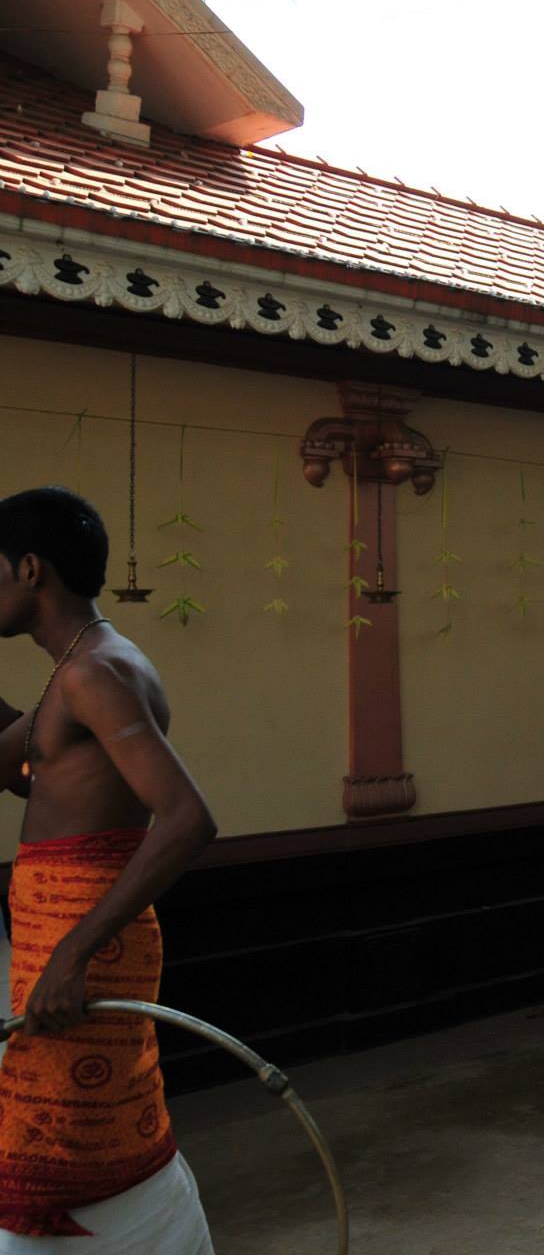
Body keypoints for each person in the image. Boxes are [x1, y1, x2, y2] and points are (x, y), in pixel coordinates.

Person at [0, 488, 218, 1248]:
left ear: (29, 569)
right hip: (60, 933)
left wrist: (73, 952)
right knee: (70, 1135)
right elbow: (17, 765)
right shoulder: (73, 668)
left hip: (84, 943)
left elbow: (188, 819)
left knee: (65, 1149)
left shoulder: (96, 672)